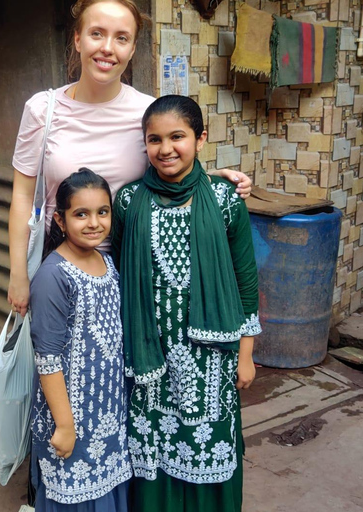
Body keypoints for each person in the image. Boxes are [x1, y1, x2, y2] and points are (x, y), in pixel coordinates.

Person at [8, 0, 253, 317]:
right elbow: (22, 195)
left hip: (134, 268)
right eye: (97, 33)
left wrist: (216, 177)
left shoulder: (147, 113)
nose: (108, 48)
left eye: (121, 38)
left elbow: (169, 170)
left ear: (133, 48)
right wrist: (18, 275)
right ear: (78, 39)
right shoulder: (43, 109)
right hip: (60, 268)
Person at [111, 95, 260, 512]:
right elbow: (123, 274)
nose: (166, 148)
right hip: (149, 355)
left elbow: (246, 282)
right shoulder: (128, 201)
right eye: (154, 139)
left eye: (178, 136)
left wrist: (245, 355)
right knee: (154, 451)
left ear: (200, 138)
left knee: (209, 446)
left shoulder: (225, 198)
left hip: (211, 359)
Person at [29, 169, 131, 511]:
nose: (94, 223)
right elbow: (47, 359)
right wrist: (64, 424)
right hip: (71, 416)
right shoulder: (53, 276)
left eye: (102, 212)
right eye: (81, 214)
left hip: (107, 414)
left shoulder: (108, 262)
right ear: (60, 220)